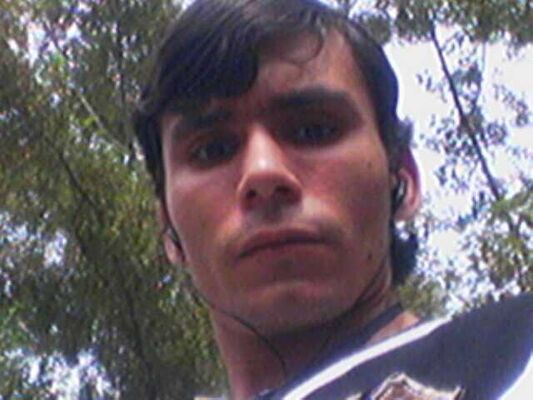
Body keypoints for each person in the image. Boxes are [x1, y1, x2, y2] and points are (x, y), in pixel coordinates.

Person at [133, 0, 532, 399]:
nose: (263, 172)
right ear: (168, 226)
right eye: (213, 150)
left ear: (402, 179)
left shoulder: (517, 357)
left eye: (313, 131)